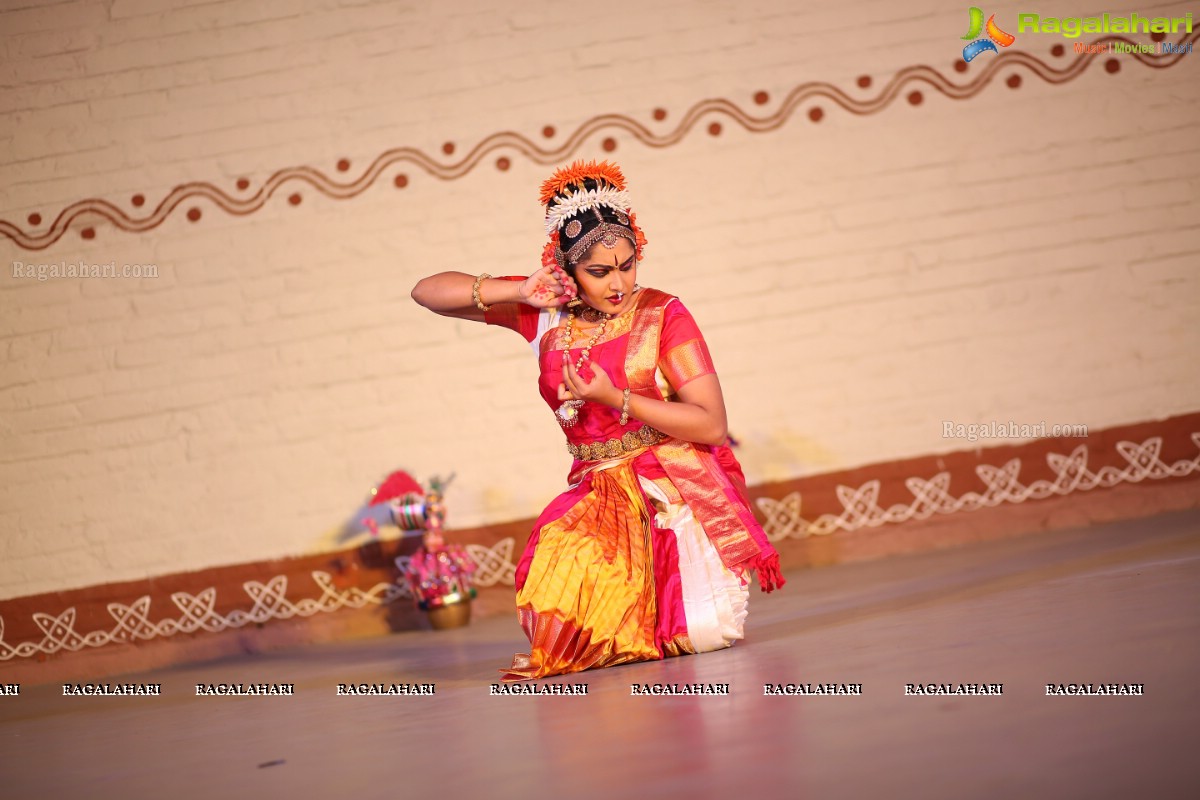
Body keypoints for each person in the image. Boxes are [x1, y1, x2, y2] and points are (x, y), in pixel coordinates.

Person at [410, 160, 784, 682]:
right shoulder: (546, 308)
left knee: (700, 633)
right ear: (568, 270)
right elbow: (426, 292)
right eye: (600, 272)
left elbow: (711, 425)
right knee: (560, 622)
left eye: (628, 265)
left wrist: (617, 397)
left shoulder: (663, 314)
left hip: (673, 484)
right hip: (597, 489)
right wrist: (517, 291)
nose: (619, 284)